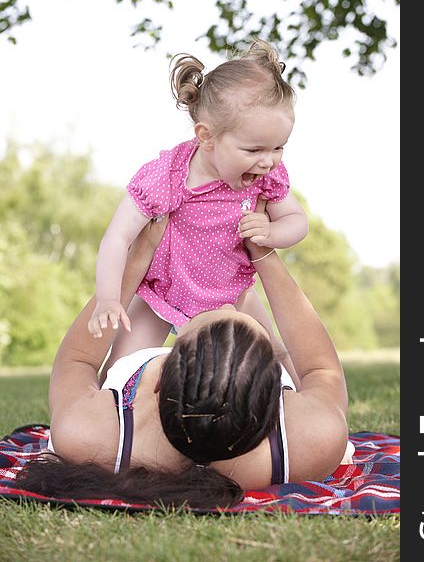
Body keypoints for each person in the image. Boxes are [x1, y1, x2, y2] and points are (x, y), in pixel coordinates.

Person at [16, 204, 351, 509]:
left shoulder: (91, 435)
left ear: (158, 376)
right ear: (278, 396)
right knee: (241, 301)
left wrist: (139, 256)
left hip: (139, 416)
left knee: (180, 303)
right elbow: (320, 369)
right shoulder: (314, 439)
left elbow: (76, 362)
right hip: (235, 388)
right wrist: (263, 254)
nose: (222, 303)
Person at [87, 40, 309, 372]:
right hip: (164, 294)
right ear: (206, 137)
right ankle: (112, 413)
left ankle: (291, 413)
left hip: (234, 295)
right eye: (254, 150)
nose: (268, 161)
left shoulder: (267, 175)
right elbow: (117, 238)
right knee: (119, 369)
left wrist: (271, 231)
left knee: (276, 363)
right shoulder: (170, 174)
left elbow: (297, 221)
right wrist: (108, 297)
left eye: (279, 147)